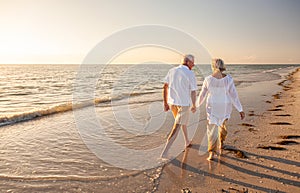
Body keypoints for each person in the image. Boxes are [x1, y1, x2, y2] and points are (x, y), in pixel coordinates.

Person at [197, 59, 245, 161]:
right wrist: (240, 109)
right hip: (225, 107)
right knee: (223, 127)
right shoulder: (228, 79)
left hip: (212, 107)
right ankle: (221, 143)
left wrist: (195, 106)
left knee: (211, 130)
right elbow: (234, 95)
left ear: (213, 66)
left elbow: (202, 95)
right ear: (223, 66)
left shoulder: (208, 79)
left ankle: (211, 154)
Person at [160, 54, 197, 159]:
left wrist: (165, 103)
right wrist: (194, 104)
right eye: (193, 62)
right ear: (188, 62)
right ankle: (165, 152)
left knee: (181, 122)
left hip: (172, 104)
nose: (194, 65)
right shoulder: (190, 73)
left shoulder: (172, 71)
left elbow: (165, 87)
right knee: (176, 127)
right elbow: (193, 91)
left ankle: (187, 141)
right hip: (183, 105)